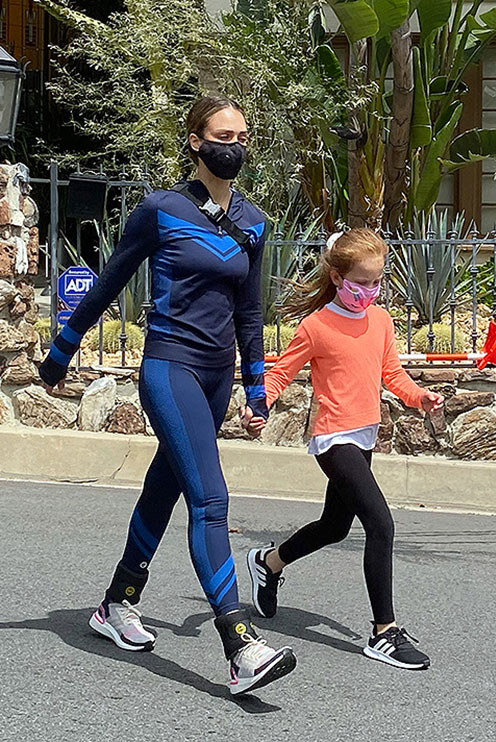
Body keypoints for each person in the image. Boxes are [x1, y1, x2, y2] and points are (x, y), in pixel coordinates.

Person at [38, 96, 296, 695]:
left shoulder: (254, 223)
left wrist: (256, 388)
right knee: (211, 499)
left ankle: (115, 603)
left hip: (214, 376)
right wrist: (60, 353)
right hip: (170, 367)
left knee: (167, 484)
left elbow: (250, 311)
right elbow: (109, 282)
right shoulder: (162, 209)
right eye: (221, 134)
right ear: (195, 141)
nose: (233, 145)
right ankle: (239, 645)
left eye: (242, 135)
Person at [244, 227, 443, 670]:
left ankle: (269, 562)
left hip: (365, 433)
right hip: (334, 439)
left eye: (377, 282)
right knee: (381, 525)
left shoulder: (382, 321)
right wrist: (259, 406)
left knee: (335, 526)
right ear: (336, 277)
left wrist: (420, 398)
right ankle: (384, 632)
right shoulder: (316, 326)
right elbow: (278, 374)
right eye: (362, 282)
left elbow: (393, 375)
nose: (369, 291)